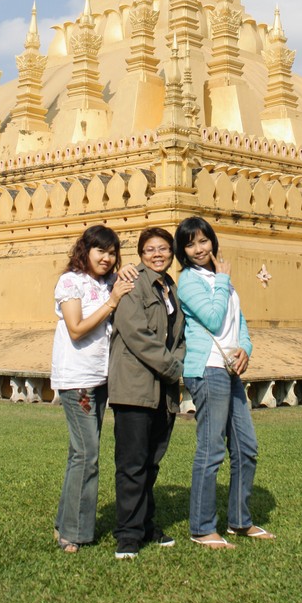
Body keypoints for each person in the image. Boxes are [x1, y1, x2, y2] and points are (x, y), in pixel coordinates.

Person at [175, 215, 276, 548]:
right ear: (182, 251)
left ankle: (240, 521)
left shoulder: (221, 280)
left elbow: (238, 322)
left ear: (213, 241)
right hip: (207, 369)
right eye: (190, 244)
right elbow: (213, 318)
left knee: (246, 447)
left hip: (229, 369)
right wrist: (222, 279)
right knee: (212, 448)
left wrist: (245, 349)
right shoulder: (189, 281)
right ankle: (202, 528)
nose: (199, 249)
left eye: (203, 241)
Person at [51, 224, 136, 554]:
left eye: (112, 252)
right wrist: (112, 302)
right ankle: (73, 533)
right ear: (84, 251)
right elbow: (75, 329)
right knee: (87, 455)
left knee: (80, 453)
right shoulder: (70, 282)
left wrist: (125, 274)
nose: (107, 258)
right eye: (100, 250)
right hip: (77, 379)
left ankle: (64, 522)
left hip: (100, 378)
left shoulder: (105, 283)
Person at [108, 226, 185, 559]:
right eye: (150, 249)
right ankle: (128, 534)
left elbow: (179, 337)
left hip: (162, 390)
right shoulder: (130, 283)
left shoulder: (170, 287)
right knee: (132, 463)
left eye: (163, 249)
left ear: (172, 253)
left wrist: (175, 363)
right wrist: (173, 367)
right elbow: (136, 333)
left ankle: (145, 525)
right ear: (140, 254)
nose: (158, 254)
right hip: (134, 387)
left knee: (151, 461)